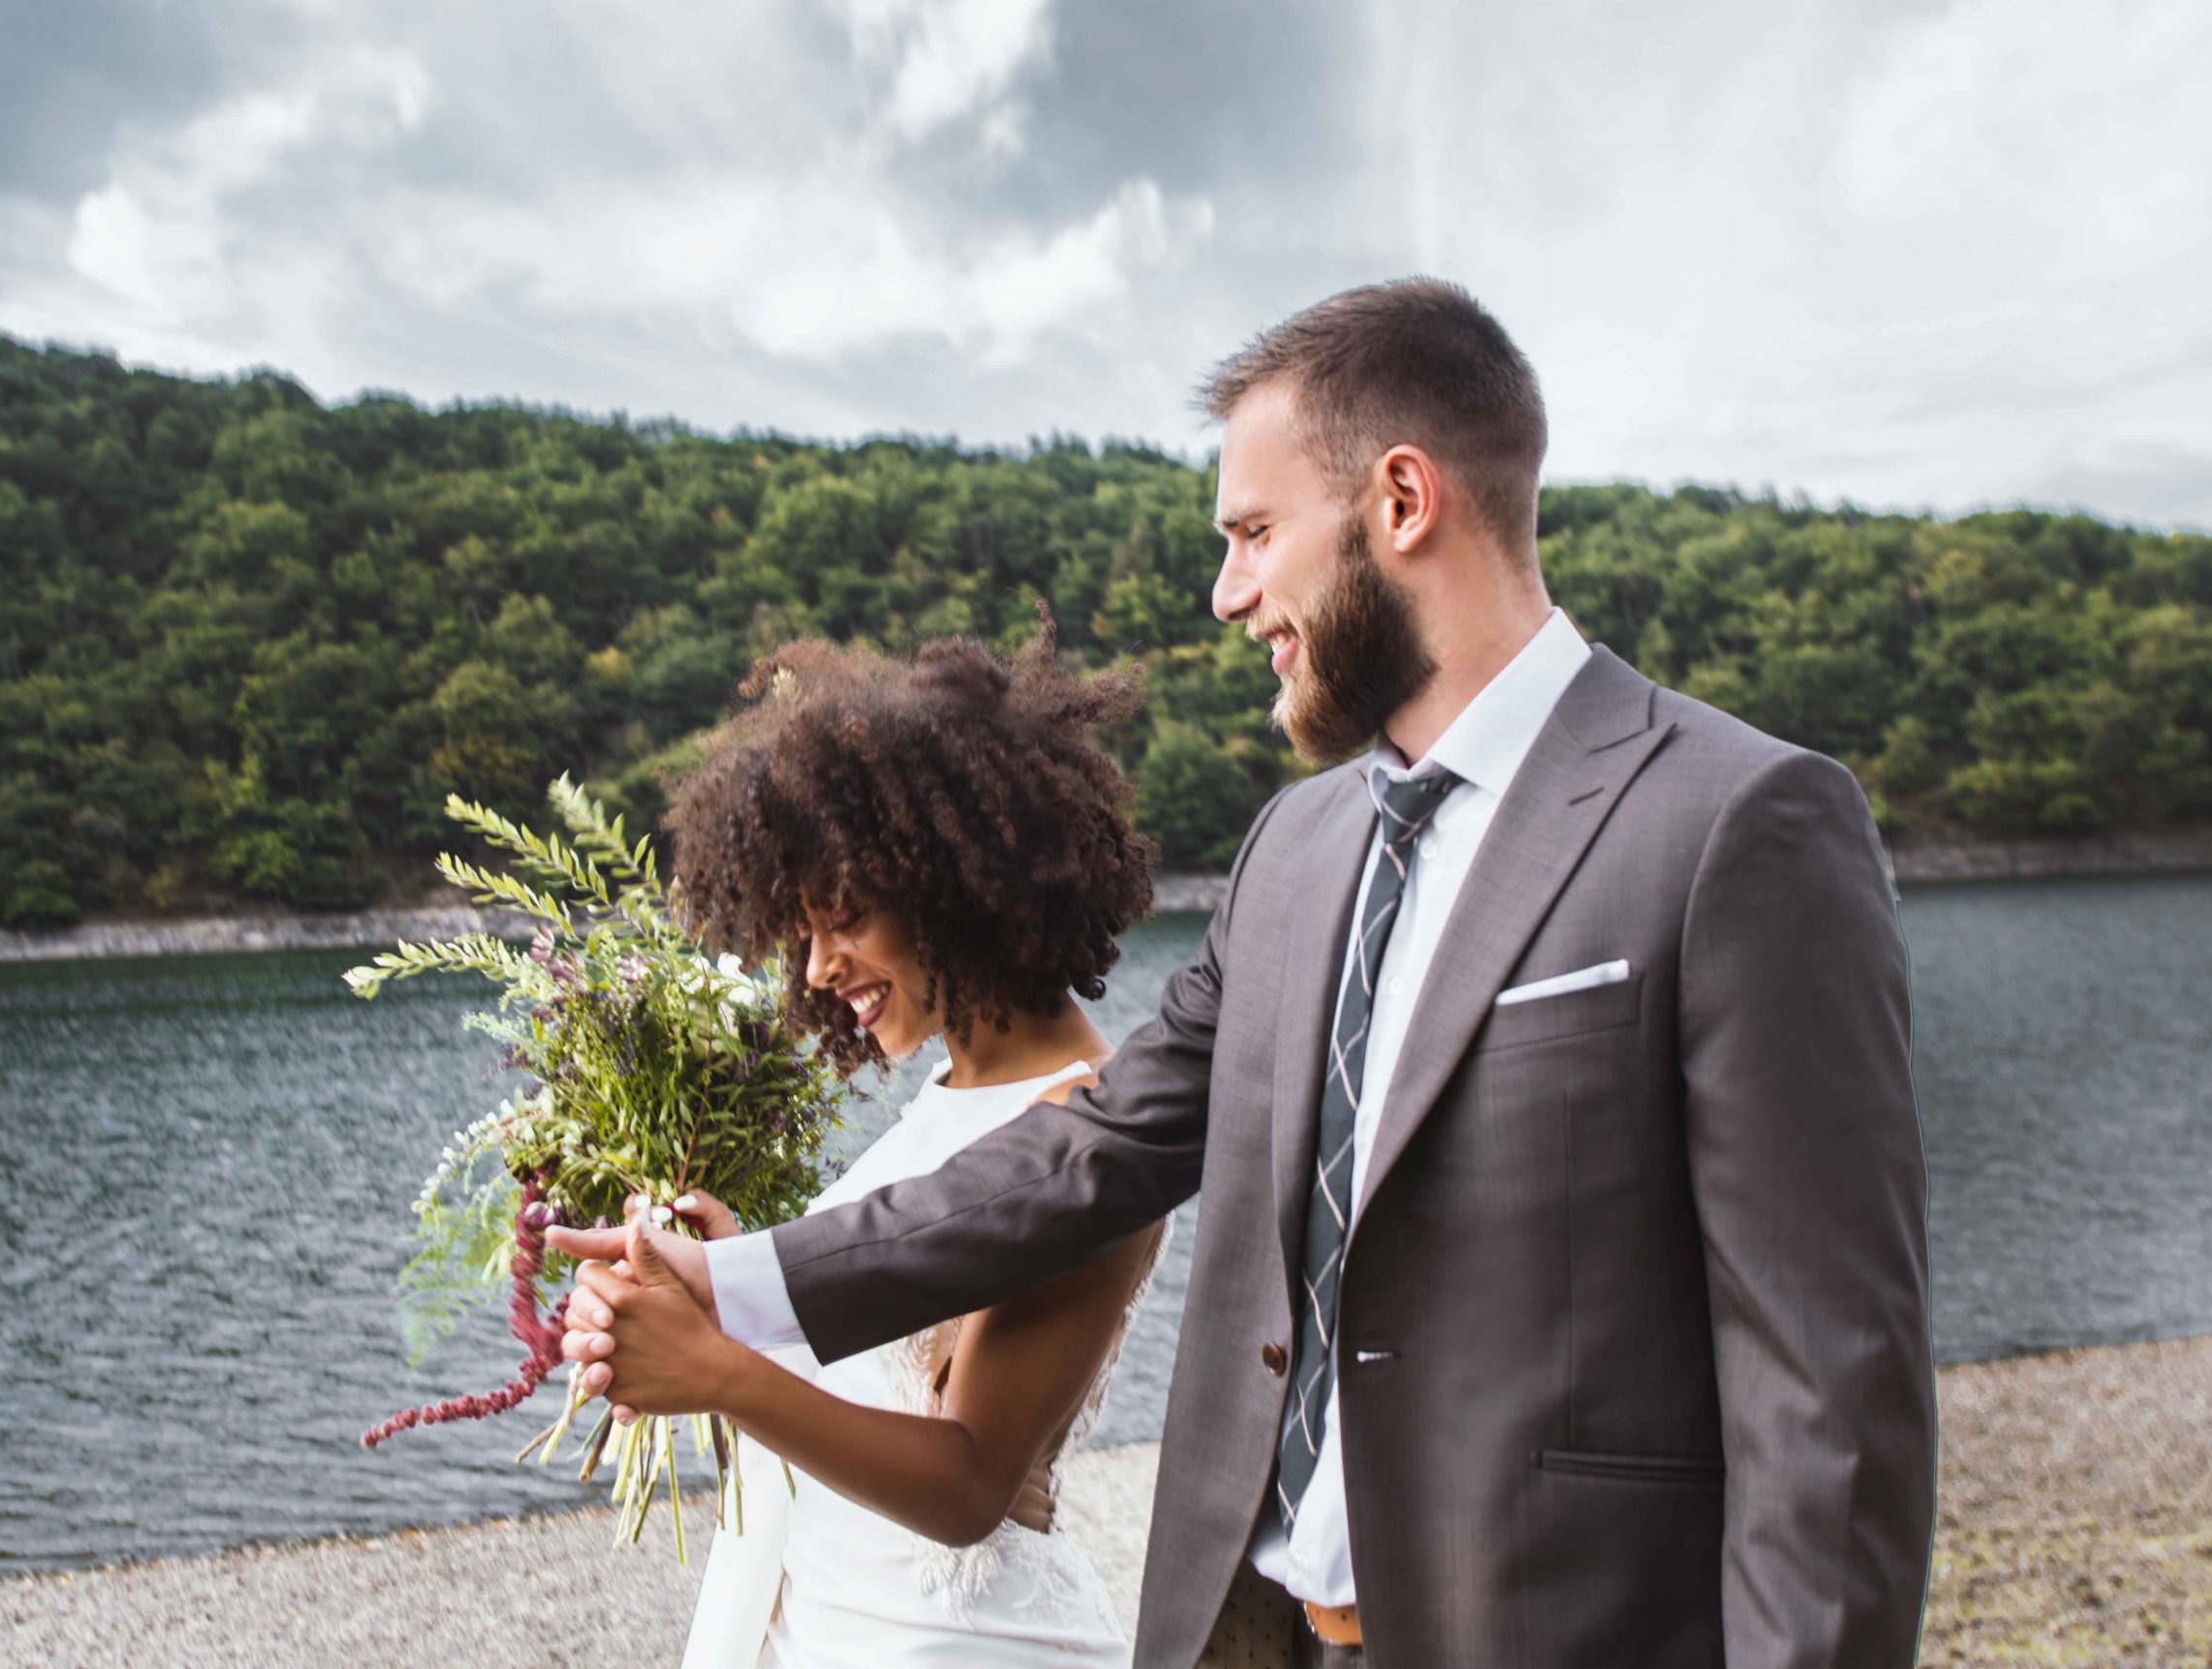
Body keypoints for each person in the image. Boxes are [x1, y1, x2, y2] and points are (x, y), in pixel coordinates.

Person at [562, 279, 1939, 1667]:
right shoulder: (1292, 849)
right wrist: (732, 1278)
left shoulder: (1736, 823)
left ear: (1401, 501)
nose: (1229, 595)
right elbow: (1090, 1148)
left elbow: (1829, 1399)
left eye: (1254, 534)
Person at [553, 627, 1166, 1666]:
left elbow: (970, 1482)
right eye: (802, 931)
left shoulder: (1087, 1134)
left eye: (844, 919)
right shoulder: (953, 1090)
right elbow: (886, 1365)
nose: (817, 968)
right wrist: (729, 1281)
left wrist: (717, 1372)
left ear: (954, 886)